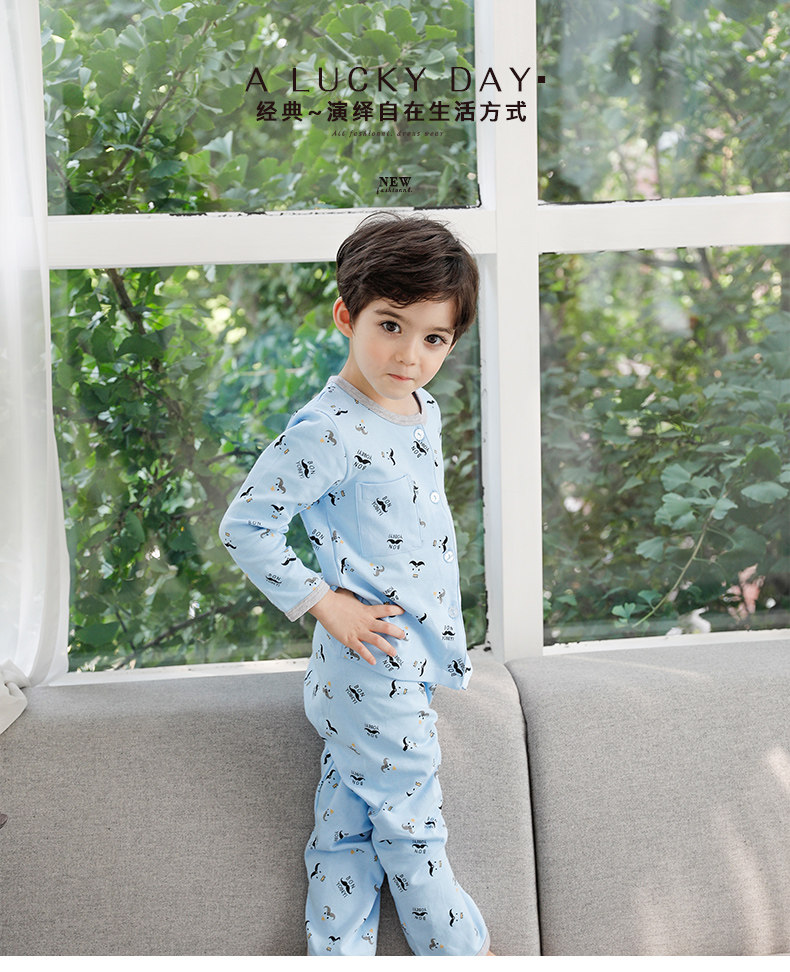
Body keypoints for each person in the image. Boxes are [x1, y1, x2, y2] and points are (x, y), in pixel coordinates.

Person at [219, 213, 491, 956]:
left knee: (347, 835)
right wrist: (324, 603)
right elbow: (246, 524)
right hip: (371, 670)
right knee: (414, 832)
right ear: (348, 316)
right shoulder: (328, 429)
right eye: (391, 326)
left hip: (405, 660)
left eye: (433, 338)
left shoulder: (422, 410)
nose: (410, 355)